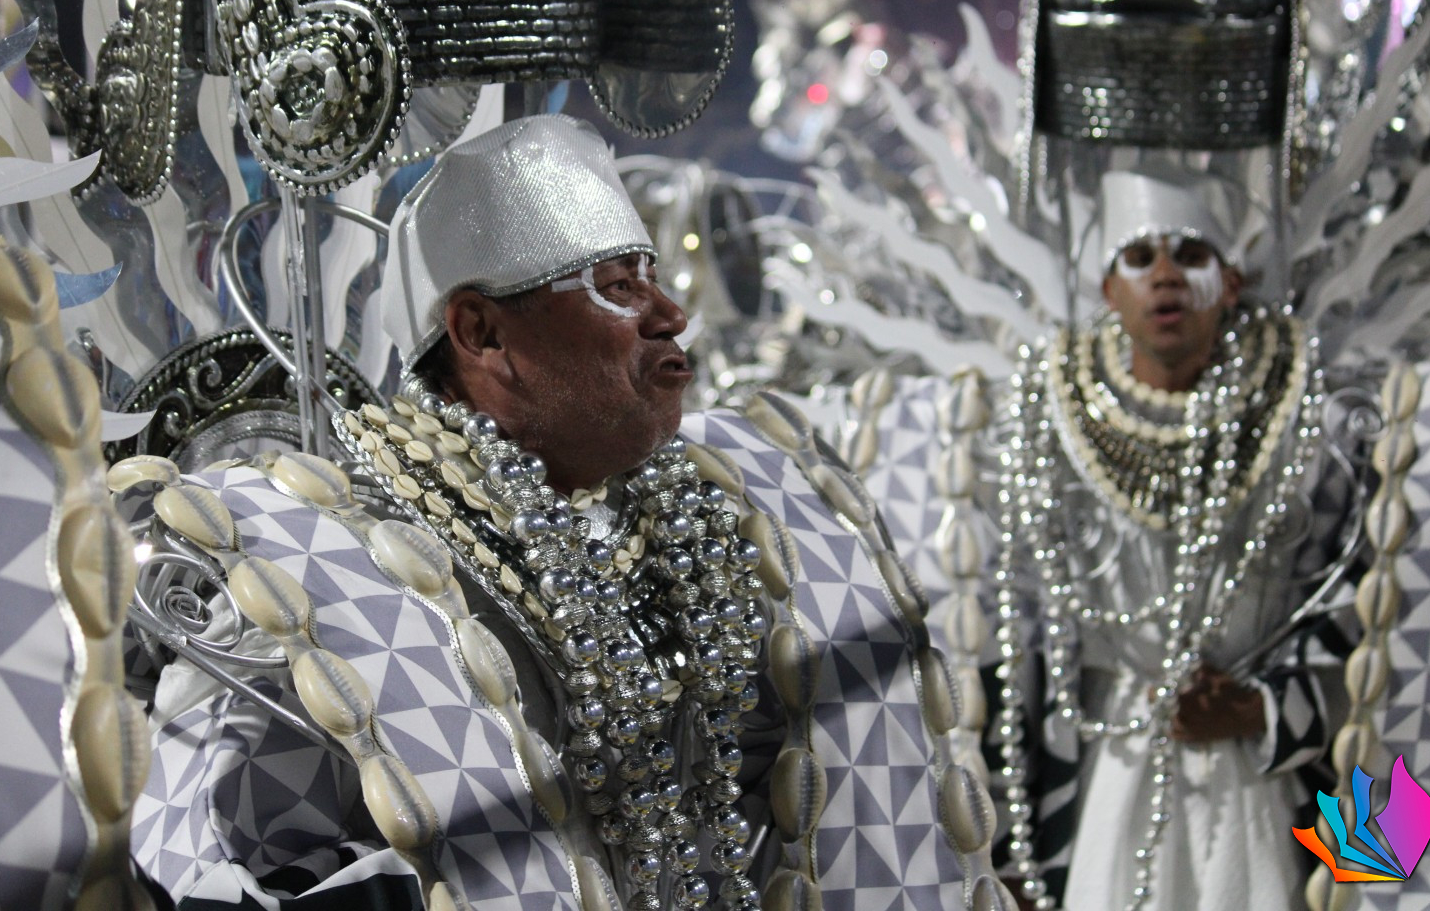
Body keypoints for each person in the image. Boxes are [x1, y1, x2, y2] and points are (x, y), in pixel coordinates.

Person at [131, 115, 1005, 910]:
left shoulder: (732, 501)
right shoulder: (319, 569)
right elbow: (206, 866)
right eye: (618, 287)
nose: (672, 315)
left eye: (652, 277)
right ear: (480, 333)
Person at [992, 169, 1342, 910]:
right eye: (1138, 257)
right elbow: (1017, 635)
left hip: (1266, 773)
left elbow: (1361, 619)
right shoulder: (1048, 426)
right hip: (1110, 758)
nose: (1165, 277)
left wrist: (1256, 711)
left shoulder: (1313, 426)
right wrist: (1010, 842)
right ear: (1107, 291)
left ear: (1231, 283)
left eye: (1190, 254)